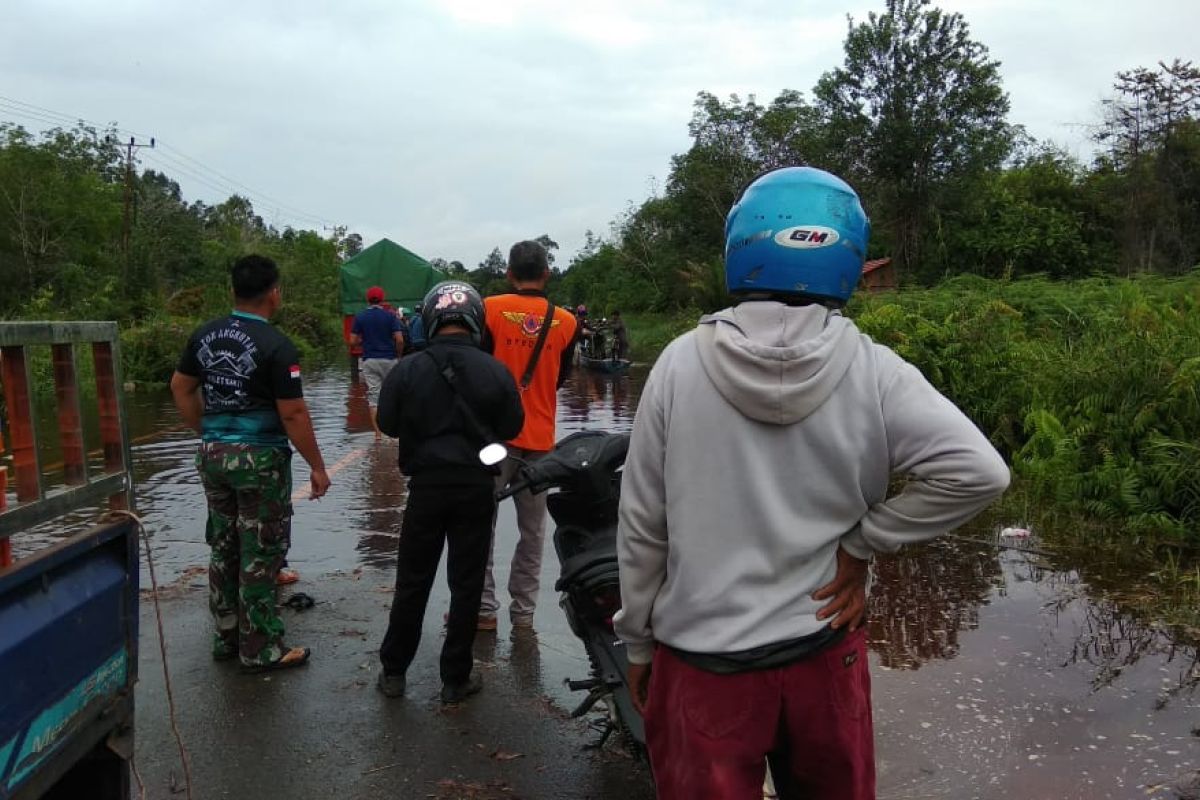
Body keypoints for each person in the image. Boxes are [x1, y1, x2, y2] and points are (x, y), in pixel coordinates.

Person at [613, 167, 1011, 799]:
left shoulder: (678, 365)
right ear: (848, 256)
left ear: (741, 247)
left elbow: (641, 526)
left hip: (704, 667)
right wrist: (864, 543)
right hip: (824, 653)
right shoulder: (874, 369)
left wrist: (636, 642)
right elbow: (978, 472)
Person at [170, 254, 331, 673]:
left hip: (213, 455)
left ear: (233, 291)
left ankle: (225, 637)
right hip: (258, 458)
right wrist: (317, 465)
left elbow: (181, 387)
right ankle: (259, 647)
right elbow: (293, 413)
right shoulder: (277, 345)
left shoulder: (204, 334)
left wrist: (207, 432)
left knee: (224, 544)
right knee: (260, 550)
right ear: (274, 293)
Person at [375, 281, 524, 704]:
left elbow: (387, 423)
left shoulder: (407, 368)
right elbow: (512, 428)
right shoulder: (496, 370)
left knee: (412, 582)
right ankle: (455, 678)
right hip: (476, 489)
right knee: (467, 584)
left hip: (426, 489)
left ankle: (393, 672)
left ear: (430, 318)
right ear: (475, 318)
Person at [479, 240, 579, 631]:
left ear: (508, 273)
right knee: (533, 532)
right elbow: (561, 378)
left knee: (480, 525)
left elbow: (478, 367)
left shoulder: (489, 310)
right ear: (547, 273)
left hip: (493, 439)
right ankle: (524, 613)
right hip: (540, 441)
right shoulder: (567, 322)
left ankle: (483, 609)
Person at [350, 286, 405, 439]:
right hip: (390, 359)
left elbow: (352, 341)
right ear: (382, 299)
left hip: (370, 360)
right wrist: (398, 355)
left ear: (368, 299)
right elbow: (400, 340)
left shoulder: (360, 317)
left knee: (374, 397)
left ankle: (378, 434)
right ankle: (396, 432)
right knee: (394, 394)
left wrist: (364, 342)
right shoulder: (391, 316)